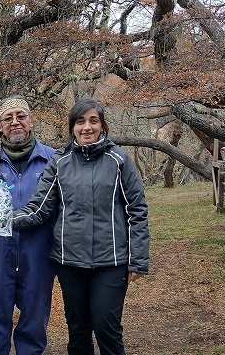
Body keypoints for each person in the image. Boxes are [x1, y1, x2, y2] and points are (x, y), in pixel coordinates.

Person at [13, 99, 150, 355]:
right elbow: (39, 209)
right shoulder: (60, 161)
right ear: (72, 127)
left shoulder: (118, 160)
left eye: (93, 121)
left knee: (106, 328)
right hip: (69, 262)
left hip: (111, 261)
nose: (87, 127)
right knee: (78, 330)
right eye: (80, 121)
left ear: (102, 126)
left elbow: (137, 211)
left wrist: (138, 260)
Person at [0, 95, 57, 355]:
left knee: (34, 323)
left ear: (31, 121)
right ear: (0, 126)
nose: (15, 122)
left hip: (39, 252)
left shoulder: (53, 160)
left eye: (21, 116)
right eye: (8, 118)